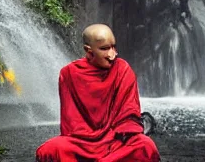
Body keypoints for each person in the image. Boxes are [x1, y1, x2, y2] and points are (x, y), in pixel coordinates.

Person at [35, 23, 160, 162]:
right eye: (105, 49)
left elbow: (129, 113)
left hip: (115, 141)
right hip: (82, 143)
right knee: (50, 150)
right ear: (88, 51)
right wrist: (90, 141)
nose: (112, 55)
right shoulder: (69, 73)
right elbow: (71, 121)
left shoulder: (122, 69)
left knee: (146, 146)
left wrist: (121, 133)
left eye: (114, 47)